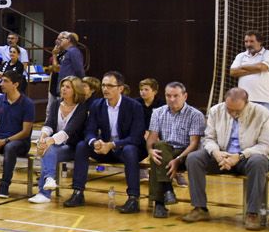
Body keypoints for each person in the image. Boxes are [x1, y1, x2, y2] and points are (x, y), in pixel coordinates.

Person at [183, 88, 269, 229]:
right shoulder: (216, 111)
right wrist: (216, 153)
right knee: (194, 158)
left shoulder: (262, 113)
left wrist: (239, 156)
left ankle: (252, 214)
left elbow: (266, 145)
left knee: (258, 162)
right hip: (221, 156)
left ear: (246, 103)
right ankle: (200, 208)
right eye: (229, 109)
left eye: (237, 111)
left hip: (248, 158)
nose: (233, 114)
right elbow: (208, 138)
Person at [69, 70, 147, 211]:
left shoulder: (134, 106)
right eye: (104, 85)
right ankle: (78, 192)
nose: (105, 89)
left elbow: (136, 137)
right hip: (104, 148)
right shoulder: (97, 105)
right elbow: (89, 130)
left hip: (125, 148)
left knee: (130, 150)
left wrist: (112, 145)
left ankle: (133, 199)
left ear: (121, 88)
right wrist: (94, 142)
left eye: (110, 86)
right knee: (82, 145)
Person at [144, 81, 205, 219]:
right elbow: (152, 138)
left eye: (176, 96)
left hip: (185, 153)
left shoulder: (195, 115)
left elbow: (194, 144)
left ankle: (159, 203)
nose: (172, 99)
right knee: (158, 149)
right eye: (168, 96)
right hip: (165, 151)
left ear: (185, 96)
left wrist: (178, 160)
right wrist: (149, 151)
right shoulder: (158, 112)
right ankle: (167, 190)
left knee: (159, 154)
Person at [32, 77, 90, 205]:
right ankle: (49, 181)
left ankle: (44, 191)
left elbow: (69, 131)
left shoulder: (82, 108)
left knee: (48, 149)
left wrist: (49, 141)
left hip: (74, 147)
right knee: (48, 149)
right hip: (56, 145)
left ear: (76, 90)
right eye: (63, 86)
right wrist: (42, 138)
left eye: (68, 87)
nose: (63, 89)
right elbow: (49, 124)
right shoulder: (56, 103)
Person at [229, 31, 269, 123]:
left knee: (268, 132)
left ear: (260, 42)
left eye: (251, 41)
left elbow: (263, 67)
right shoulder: (240, 56)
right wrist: (256, 69)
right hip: (244, 101)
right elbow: (233, 72)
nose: (248, 44)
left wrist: (242, 67)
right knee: (243, 131)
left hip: (264, 100)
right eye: (246, 41)